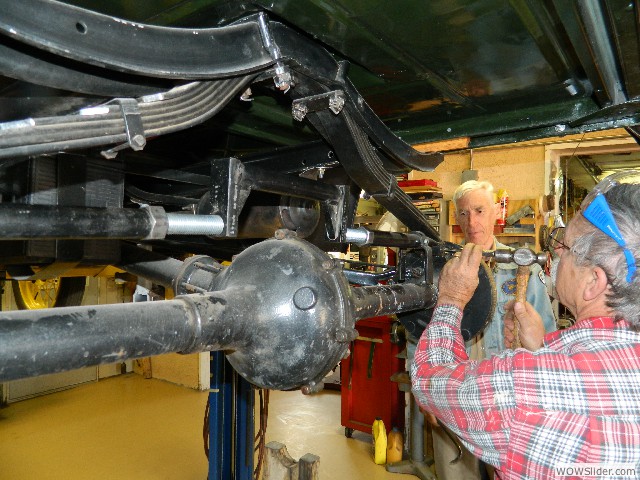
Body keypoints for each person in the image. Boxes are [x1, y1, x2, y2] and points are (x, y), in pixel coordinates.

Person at [411, 171, 640, 479]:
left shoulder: (521, 387)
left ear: (593, 282)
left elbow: (429, 379)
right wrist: (543, 347)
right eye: (464, 213)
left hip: (475, 393)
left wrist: (451, 299)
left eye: (564, 245)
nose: (554, 252)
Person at [428, 180, 556, 480]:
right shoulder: (444, 270)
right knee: (455, 473)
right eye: (463, 213)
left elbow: (547, 335)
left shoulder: (521, 267)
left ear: (497, 212)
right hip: (455, 396)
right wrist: (425, 395)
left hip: (509, 399)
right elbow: (424, 331)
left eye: (479, 210)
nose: (471, 221)